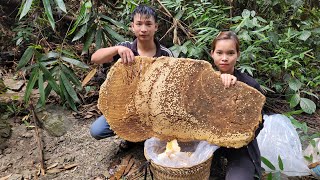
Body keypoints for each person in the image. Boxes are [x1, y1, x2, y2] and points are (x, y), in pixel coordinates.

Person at [90, 5, 174, 140]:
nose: (143, 29)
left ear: (156, 27)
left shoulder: (165, 54)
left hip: (155, 108)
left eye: (148, 24)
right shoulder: (126, 48)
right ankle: (131, 135)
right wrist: (117, 49)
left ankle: (150, 137)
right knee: (97, 130)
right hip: (126, 106)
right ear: (132, 26)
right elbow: (95, 58)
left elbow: (172, 86)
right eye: (139, 24)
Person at [209, 31, 264, 180]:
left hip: (241, 147)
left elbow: (258, 124)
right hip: (208, 142)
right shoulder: (204, 82)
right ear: (212, 54)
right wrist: (217, 79)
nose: (224, 58)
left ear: (238, 55)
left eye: (230, 53)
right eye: (219, 53)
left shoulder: (250, 86)